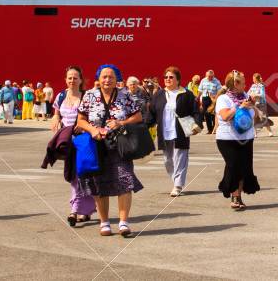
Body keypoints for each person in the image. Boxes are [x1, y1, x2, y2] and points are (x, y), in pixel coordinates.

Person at [76, 64, 144, 237]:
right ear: (98, 79)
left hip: (120, 144)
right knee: (99, 184)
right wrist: (93, 130)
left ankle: (123, 222)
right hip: (96, 146)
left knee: (125, 179)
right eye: (104, 76)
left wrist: (121, 123)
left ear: (117, 79)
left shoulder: (125, 95)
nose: (107, 80)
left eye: (111, 77)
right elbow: (81, 120)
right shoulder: (90, 95)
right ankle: (104, 222)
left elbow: (138, 116)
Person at [52, 66, 95, 226]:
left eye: (75, 78)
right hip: (67, 141)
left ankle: (75, 210)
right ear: (65, 80)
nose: (72, 80)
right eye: (69, 78)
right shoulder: (61, 95)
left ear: (81, 80)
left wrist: (83, 124)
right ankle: (85, 210)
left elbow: (94, 117)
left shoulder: (86, 96)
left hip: (84, 140)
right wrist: (55, 119)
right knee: (73, 175)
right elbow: (56, 112)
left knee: (83, 174)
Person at [214, 70, 260, 210]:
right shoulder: (223, 99)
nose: (246, 85)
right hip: (227, 138)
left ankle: (237, 196)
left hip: (246, 138)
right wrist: (240, 107)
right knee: (233, 164)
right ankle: (230, 190)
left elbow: (255, 117)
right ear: (235, 83)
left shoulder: (246, 96)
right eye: (244, 82)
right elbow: (226, 116)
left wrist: (253, 105)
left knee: (244, 167)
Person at [150, 66, 197, 197]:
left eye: (171, 77)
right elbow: (152, 113)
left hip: (180, 131)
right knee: (167, 160)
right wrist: (143, 127)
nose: (168, 79)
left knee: (180, 158)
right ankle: (176, 180)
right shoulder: (159, 95)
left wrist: (197, 124)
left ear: (178, 80)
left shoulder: (186, 94)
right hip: (165, 132)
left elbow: (195, 111)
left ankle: (178, 185)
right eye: (166, 77)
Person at [246, 73, 275, 137]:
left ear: (256, 79)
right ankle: (255, 133)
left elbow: (262, 95)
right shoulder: (253, 86)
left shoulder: (261, 86)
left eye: (254, 79)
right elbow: (248, 93)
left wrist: (255, 95)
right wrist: (249, 96)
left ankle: (270, 131)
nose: (253, 80)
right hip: (254, 104)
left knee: (263, 118)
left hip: (261, 104)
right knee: (254, 118)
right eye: (253, 79)